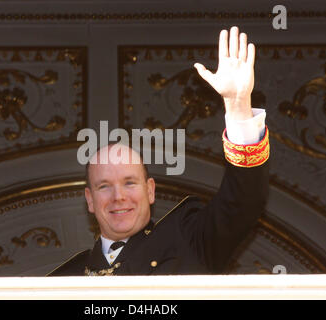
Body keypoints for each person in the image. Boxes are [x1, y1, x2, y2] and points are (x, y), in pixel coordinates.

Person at [47, 26, 270, 276]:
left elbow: (242, 203)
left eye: (130, 183)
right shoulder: (63, 280)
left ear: (150, 190)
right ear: (89, 199)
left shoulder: (189, 240)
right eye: (104, 186)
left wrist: (238, 106)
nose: (118, 196)